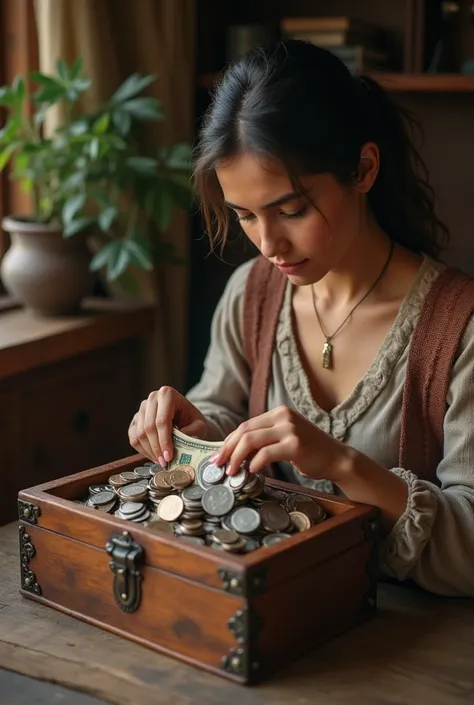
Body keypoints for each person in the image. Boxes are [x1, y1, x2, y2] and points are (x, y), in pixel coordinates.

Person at [128, 40, 474, 598]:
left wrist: (340, 462)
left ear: (362, 169)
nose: (269, 244)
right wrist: (197, 430)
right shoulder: (252, 295)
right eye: (244, 216)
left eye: (291, 210)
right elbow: (224, 407)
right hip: (277, 618)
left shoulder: (460, 331)